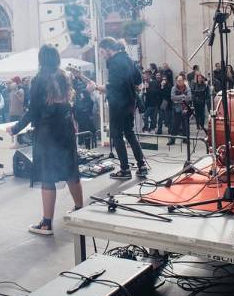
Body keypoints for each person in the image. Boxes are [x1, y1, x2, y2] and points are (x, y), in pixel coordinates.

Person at [10, 45, 83, 235]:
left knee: (47, 176)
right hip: (65, 130)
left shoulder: (38, 80)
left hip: (47, 134)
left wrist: (16, 128)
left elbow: (32, 111)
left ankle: (46, 224)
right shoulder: (64, 76)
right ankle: (80, 210)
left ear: (41, 59)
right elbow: (69, 105)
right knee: (70, 171)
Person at [92, 37, 148, 179]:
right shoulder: (127, 58)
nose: (102, 55)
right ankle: (142, 166)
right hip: (130, 103)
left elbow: (114, 86)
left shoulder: (114, 62)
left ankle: (125, 170)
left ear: (109, 49)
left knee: (116, 135)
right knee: (129, 133)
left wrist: (97, 87)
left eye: (102, 52)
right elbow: (138, 80)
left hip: (118, 105)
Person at [168, 75, 191, 145]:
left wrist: (179, 99)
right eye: (178, 80)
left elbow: (189, 98)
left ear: (183, 81)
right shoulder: (174, 88)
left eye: (180, 80)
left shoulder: (187, 88)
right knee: (175, 125)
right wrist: (183, 96)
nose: (179, 82)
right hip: (176, 109)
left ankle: (185, 139)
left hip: (185, 108)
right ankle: (172, 140)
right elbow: (172, 97)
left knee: (186, 125)